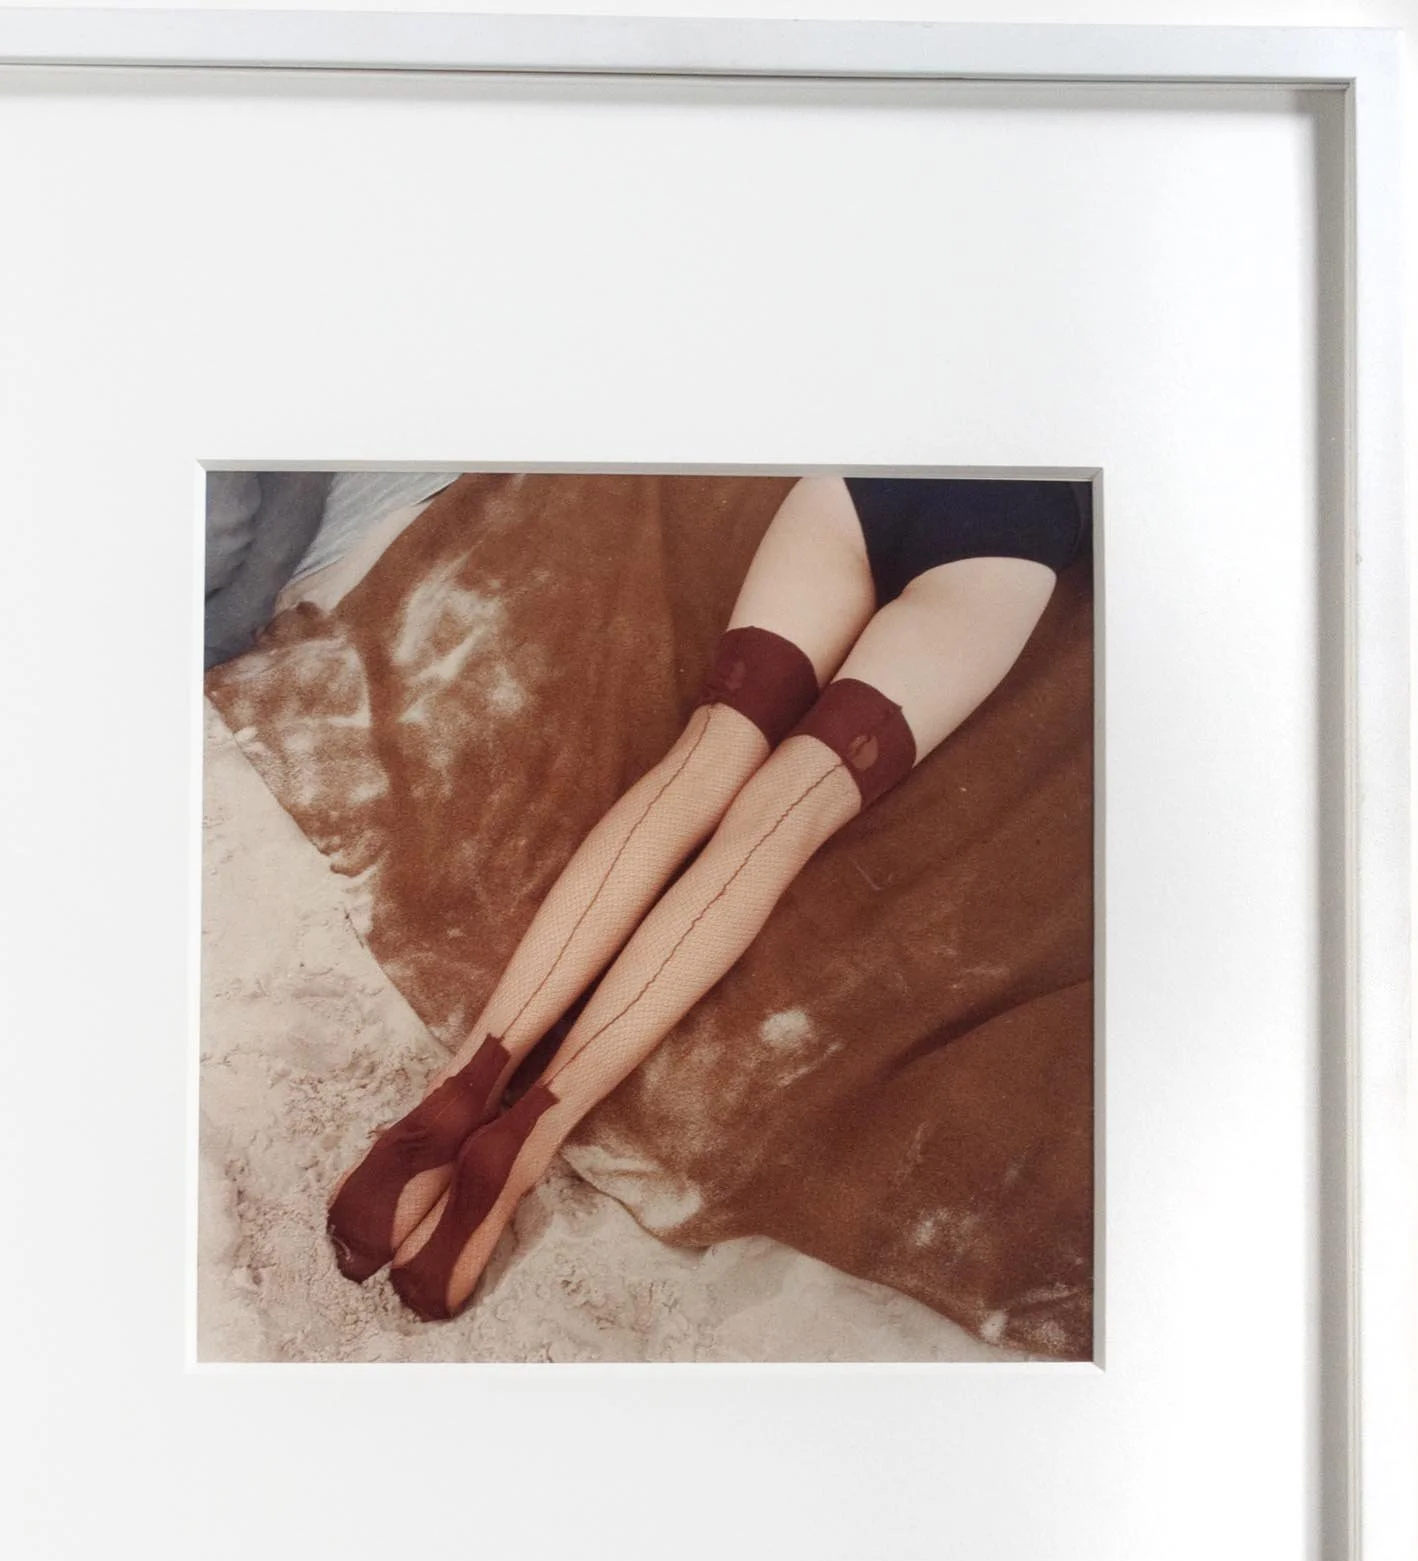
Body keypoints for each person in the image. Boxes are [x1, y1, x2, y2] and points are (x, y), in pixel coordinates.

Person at [326, 472, 1091, 1320]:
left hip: (857, 488)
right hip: (1004, 539)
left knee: (706, 755)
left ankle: (465, 1081)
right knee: (783, 814)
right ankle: (530, 1130)